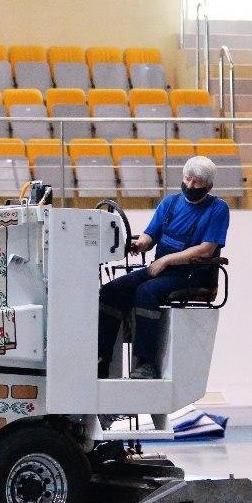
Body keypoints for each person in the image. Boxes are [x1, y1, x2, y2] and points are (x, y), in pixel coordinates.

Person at [98, 155, 230, 379]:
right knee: (111, 291)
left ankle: (146, 363)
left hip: (193, 274)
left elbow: (206, 249)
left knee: (146, 291)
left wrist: (166, 260)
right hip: (161, 270)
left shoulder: (218, 209)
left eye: (197, 182)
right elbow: (150, 235)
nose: (190, 185)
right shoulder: (170, 203)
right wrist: (140, 244)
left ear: (209, 187)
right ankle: (102, 358)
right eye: (188, 179)